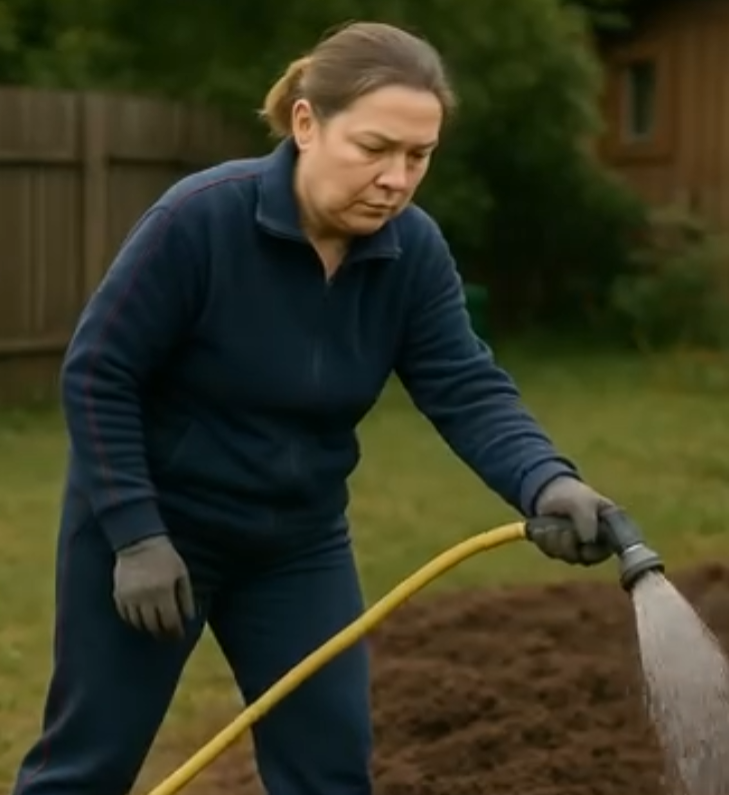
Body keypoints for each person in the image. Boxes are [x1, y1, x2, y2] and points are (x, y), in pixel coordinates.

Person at [10, 19, 616, 795]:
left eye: (417, 156)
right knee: (88, 765)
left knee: (328, 768)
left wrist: (547, 481)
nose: (396, 178)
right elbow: (98, 373)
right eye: (374, 149)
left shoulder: (412, 251)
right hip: (154, 534)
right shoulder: (198, 222)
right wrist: (134, 534)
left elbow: (464, 386)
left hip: (295, 546)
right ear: (306, 123)